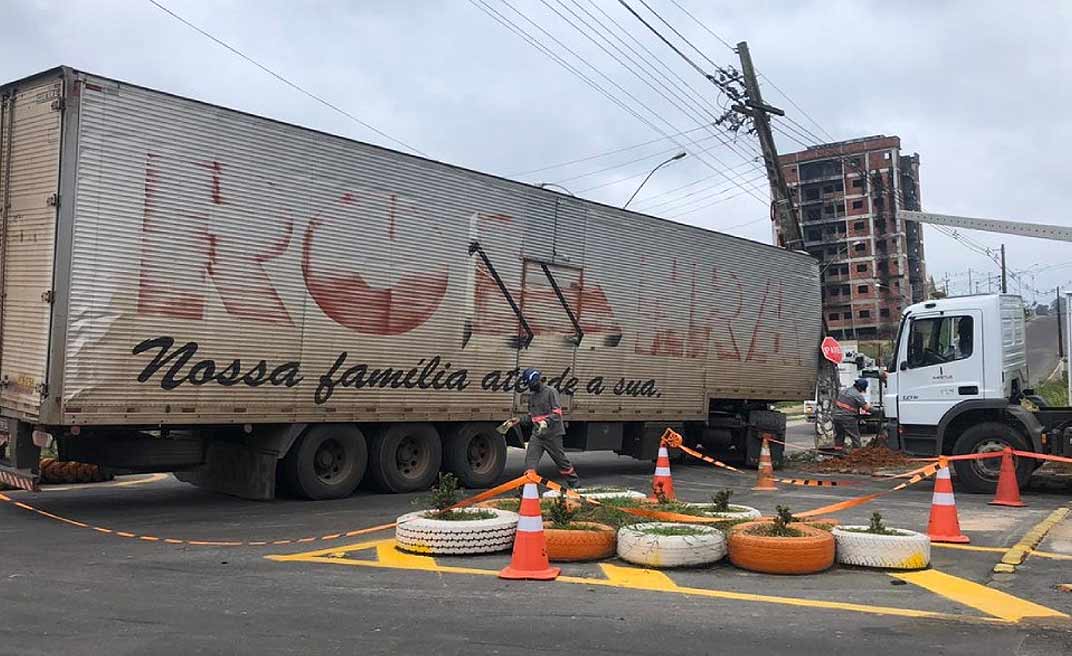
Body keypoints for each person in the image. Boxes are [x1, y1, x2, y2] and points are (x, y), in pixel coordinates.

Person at [499, 368, 579, 488]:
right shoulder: (532, 397)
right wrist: (519, 420)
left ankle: (575, 484)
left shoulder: (551, 392)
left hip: (552, 435)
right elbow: (533, 417)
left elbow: (557, 414)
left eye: (530, 384)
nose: (529, 387)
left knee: (562, 462)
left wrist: (545, 422)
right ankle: (527, 491)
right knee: (530, 464)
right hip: (537, 435)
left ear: (536, 381)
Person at [832, 377, 872, 451]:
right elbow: (866, 408)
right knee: (855, 436)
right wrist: (879, 410)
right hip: (847, 418)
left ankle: (838, 452)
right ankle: (857, 454)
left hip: (836, 417)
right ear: (861, 388)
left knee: (839, 435)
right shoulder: (857, 395)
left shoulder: (843, 391)